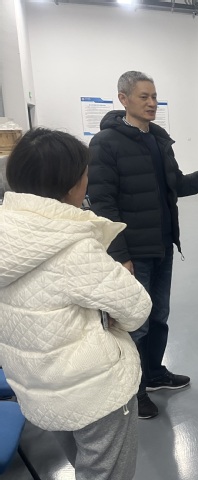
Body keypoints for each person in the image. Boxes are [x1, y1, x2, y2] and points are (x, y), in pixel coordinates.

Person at [0, 128, 152, 479]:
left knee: (84, 465)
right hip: (92, 390)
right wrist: (109, 317)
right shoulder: (73, 247)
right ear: (71, 185)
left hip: (36, 385)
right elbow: (137, 307)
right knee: (105, 473)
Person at [88, 71, 198, 420]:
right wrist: (120, 255)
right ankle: (135, 389)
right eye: (144, 97)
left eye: (154, 96)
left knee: (159, 315)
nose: (152, 103)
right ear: (123, 99)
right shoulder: (105, 143)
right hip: (133, 252)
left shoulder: (158, 139)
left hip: (162, 245)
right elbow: (103, 204)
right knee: (135, 323)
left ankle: (154, 373)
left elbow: (176, 185)